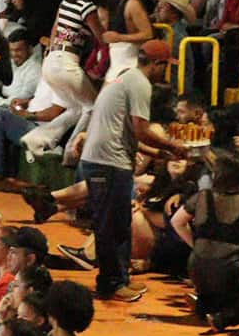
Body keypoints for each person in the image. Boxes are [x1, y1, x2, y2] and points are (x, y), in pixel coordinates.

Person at [78, 38, 187, 301]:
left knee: (119, 223)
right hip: (109, 162)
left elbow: (128, 133)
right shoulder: (139, 83)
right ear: (158, 64)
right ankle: (110, 283)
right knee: (111, 225)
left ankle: (120, 278)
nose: (165, 72)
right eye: (165, 66)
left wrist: (161, 152)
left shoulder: (124, 77)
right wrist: (174, 146)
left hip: (106, 158)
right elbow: (140, 129)